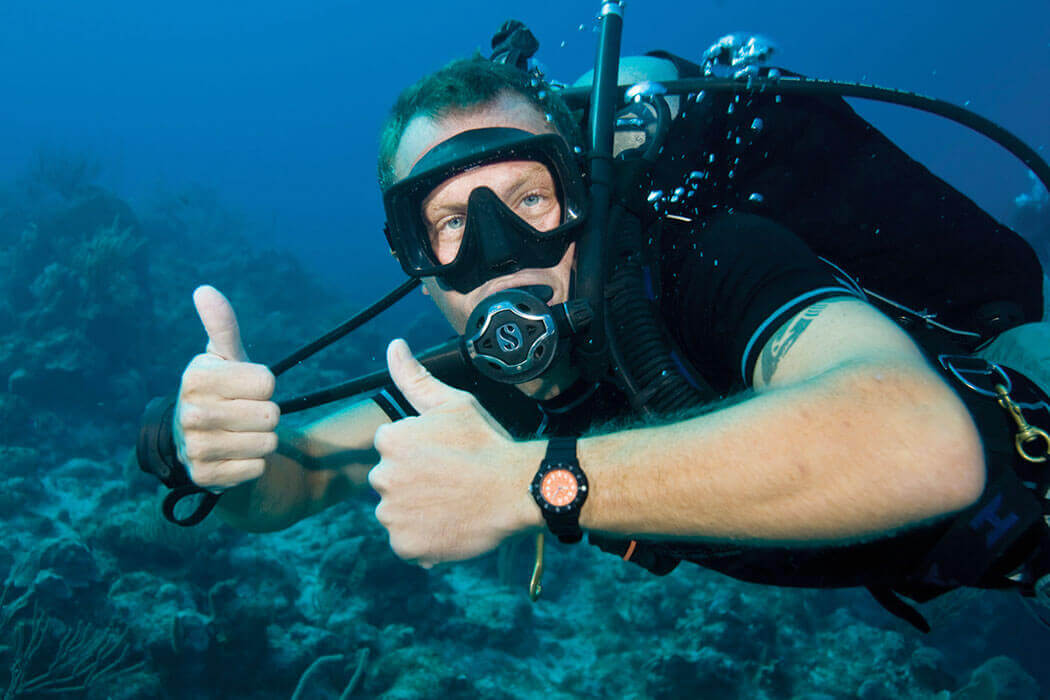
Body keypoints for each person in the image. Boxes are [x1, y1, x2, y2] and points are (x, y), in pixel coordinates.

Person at [156, 51, 1050, 625]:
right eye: (451, 224)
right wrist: (221, 456)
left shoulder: (709, 265)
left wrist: (532, 482)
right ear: (414, 260)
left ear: (585, 199)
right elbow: (296, 481)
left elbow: (920, 447)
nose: (501, 253)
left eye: (530, 200)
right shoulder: (465, 394)